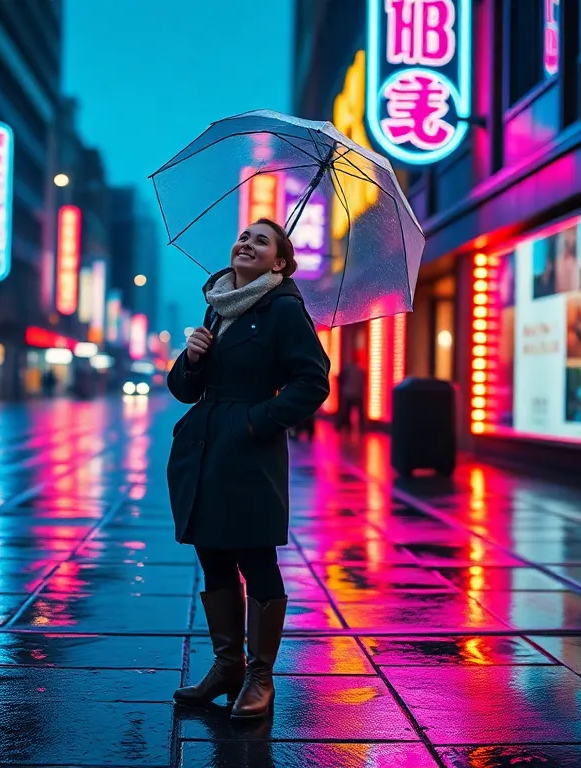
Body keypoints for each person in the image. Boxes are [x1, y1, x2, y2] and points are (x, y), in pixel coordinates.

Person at [167, 217, 330, 720]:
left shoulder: (283, 309)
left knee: (254, 558)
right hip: (203, 447)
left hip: (249, 448)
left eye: (262, 241)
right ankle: (227, 665)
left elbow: (314, 381)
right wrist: (191, 360)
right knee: (213, 555)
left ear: (279, 263)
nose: (247, 243)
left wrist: (257, 422)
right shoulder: (218, 305)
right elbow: (184, 391)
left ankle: (260, 676)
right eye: (243, 236)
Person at [337, 358, 366, 433]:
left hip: (348, 393)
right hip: (358, 394)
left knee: (347, 411)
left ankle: (346, 426)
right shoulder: (360, 370)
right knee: (359, 412)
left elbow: (341, 379)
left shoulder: (347, 370)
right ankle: (361, 427)